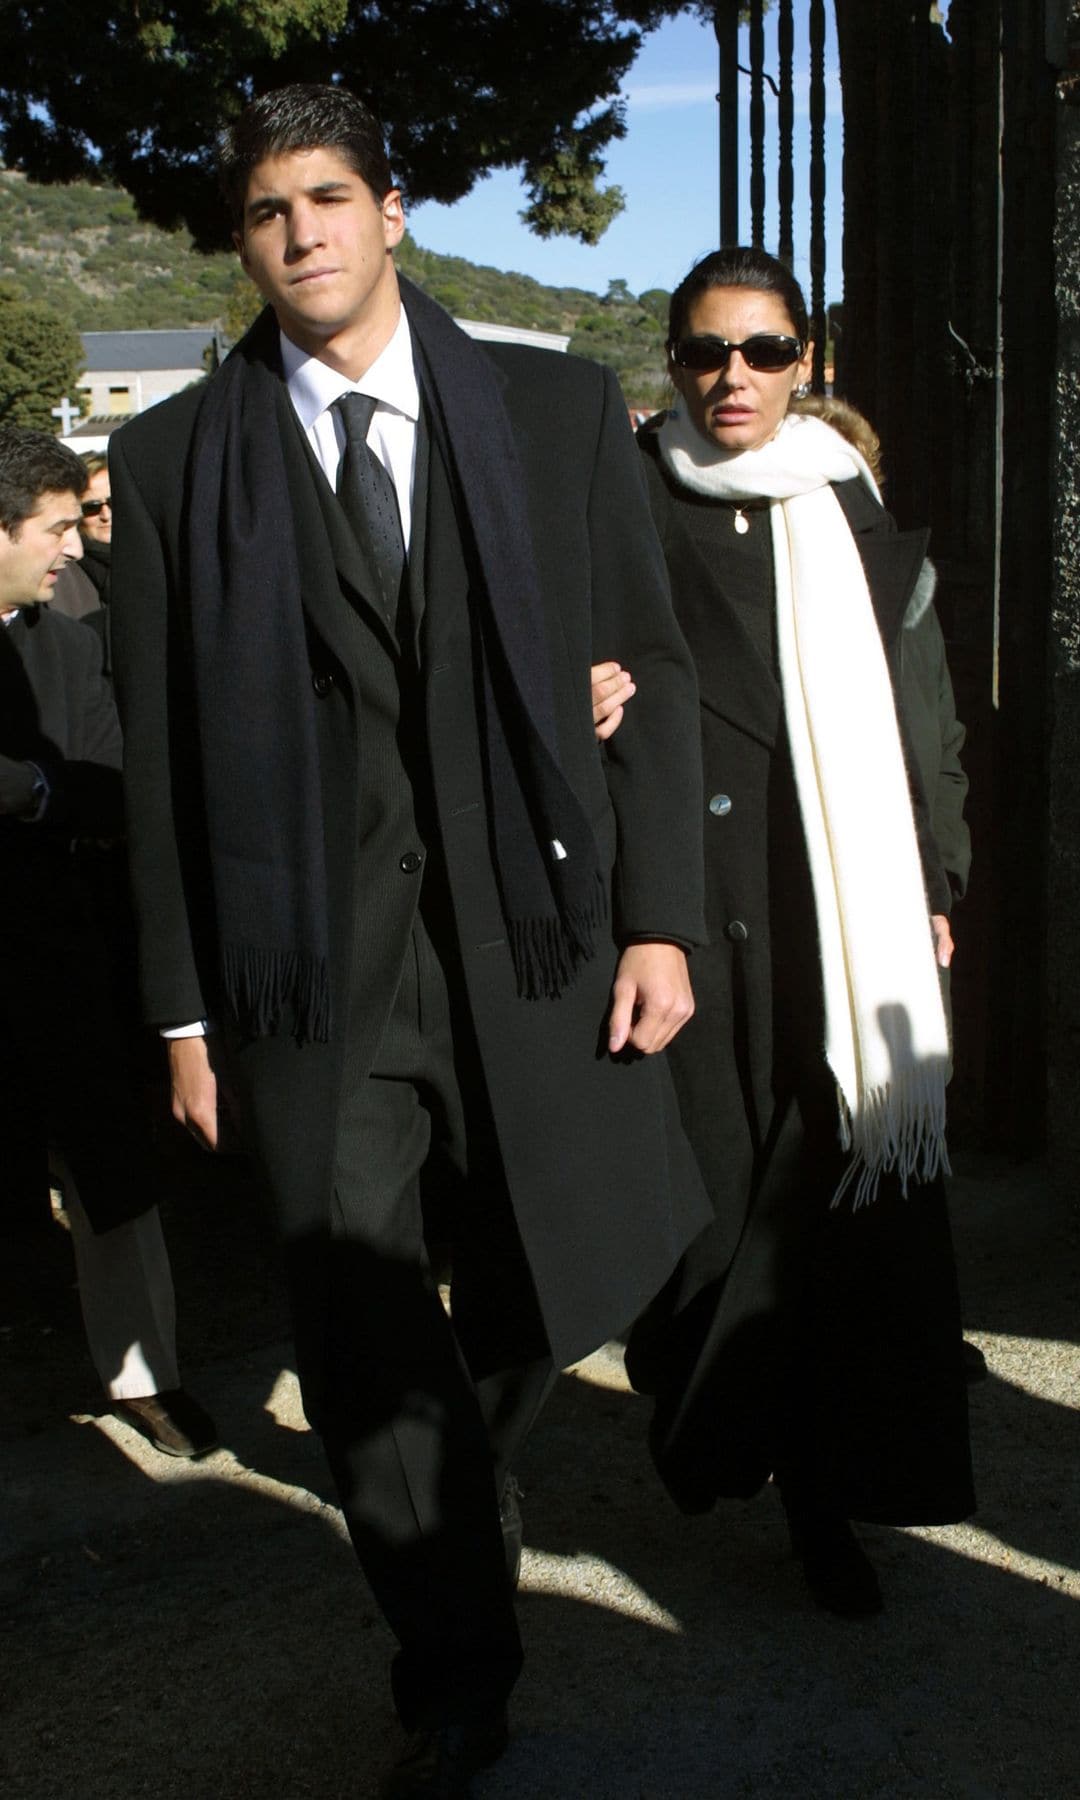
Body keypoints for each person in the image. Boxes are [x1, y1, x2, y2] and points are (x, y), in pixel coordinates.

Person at [107, 84, 710, 1798]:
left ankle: (471, 1451)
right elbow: (158, 765)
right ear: (246, 243)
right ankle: (454, 1659)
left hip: (530, 939)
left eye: (325, 198)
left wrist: (659, 916)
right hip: (308, 981)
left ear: (391, 214)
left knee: (569, 1255)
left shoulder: (552, 407)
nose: (297, 234)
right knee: (358, 1319)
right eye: (263, 213)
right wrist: (180, 1018)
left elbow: (648, 670)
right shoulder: (168, 468)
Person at [596, 247, 974, 1620]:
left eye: (761, 352)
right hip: (692, 908)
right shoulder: (626, 496)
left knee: (824, 1207)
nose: (731, 379)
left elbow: (917, 711)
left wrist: (933, 879)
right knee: (704, 1207)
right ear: (673, 360)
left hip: (837, 907)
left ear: (806, 358)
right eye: (704, 352)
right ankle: (711, 1423)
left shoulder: (848, 502)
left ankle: (822, 1499)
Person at [0, 426, 216, 1460]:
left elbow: (114, 784)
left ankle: (147, 1376)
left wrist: (28, 791)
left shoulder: (71, 642)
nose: (74, 548)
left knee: (111, 1176)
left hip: (62, 956)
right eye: (53, 528)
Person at [50, 452, 114, 675]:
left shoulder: (150, 562)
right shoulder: (60, 575)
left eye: (114, 502)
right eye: (92, 507)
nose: (105, 515)